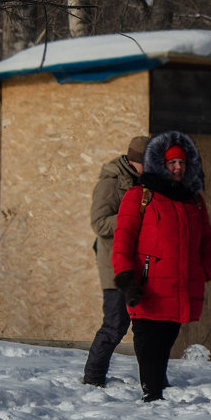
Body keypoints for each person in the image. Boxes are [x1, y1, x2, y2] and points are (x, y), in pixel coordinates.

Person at [111, 131, 211, 401]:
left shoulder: (194, 201)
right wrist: (125, 276)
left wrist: (204, 270)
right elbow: (123, 238)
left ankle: (157, 384)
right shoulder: (140, 196)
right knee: (147, 339)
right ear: (160, 164)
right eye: (172, 163)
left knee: (167, 336)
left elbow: (207, 240)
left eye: (182, 163)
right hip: (146, 285)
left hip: (179, 284)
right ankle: (152, 392)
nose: (178, 167)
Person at [83, 135, 149, 387]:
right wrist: (131, 217)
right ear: (135, 161)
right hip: (114, 265)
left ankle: (152, 378)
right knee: (115, 324)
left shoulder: (144, 181)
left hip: (140, 264)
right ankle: (93, 378)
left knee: (146, 327)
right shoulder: (111, 182)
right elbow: (99, 223)